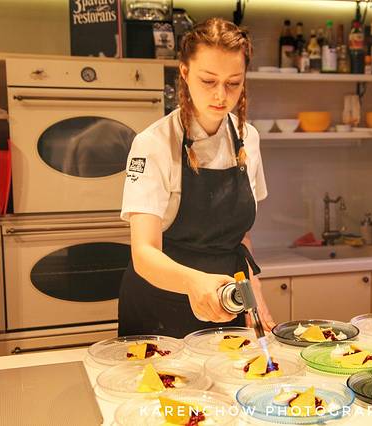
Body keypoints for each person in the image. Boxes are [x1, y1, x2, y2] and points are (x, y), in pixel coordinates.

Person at [118, 18, 275, 338]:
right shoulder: (153, 144)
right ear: (185, 72)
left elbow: (239, 238)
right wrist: (194, 282)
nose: (221, 95)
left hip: (226, 302)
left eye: (233, 83)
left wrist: (253, 296)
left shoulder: (248, 138)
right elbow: (144, 254)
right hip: (159, 308)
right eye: (208, 80)